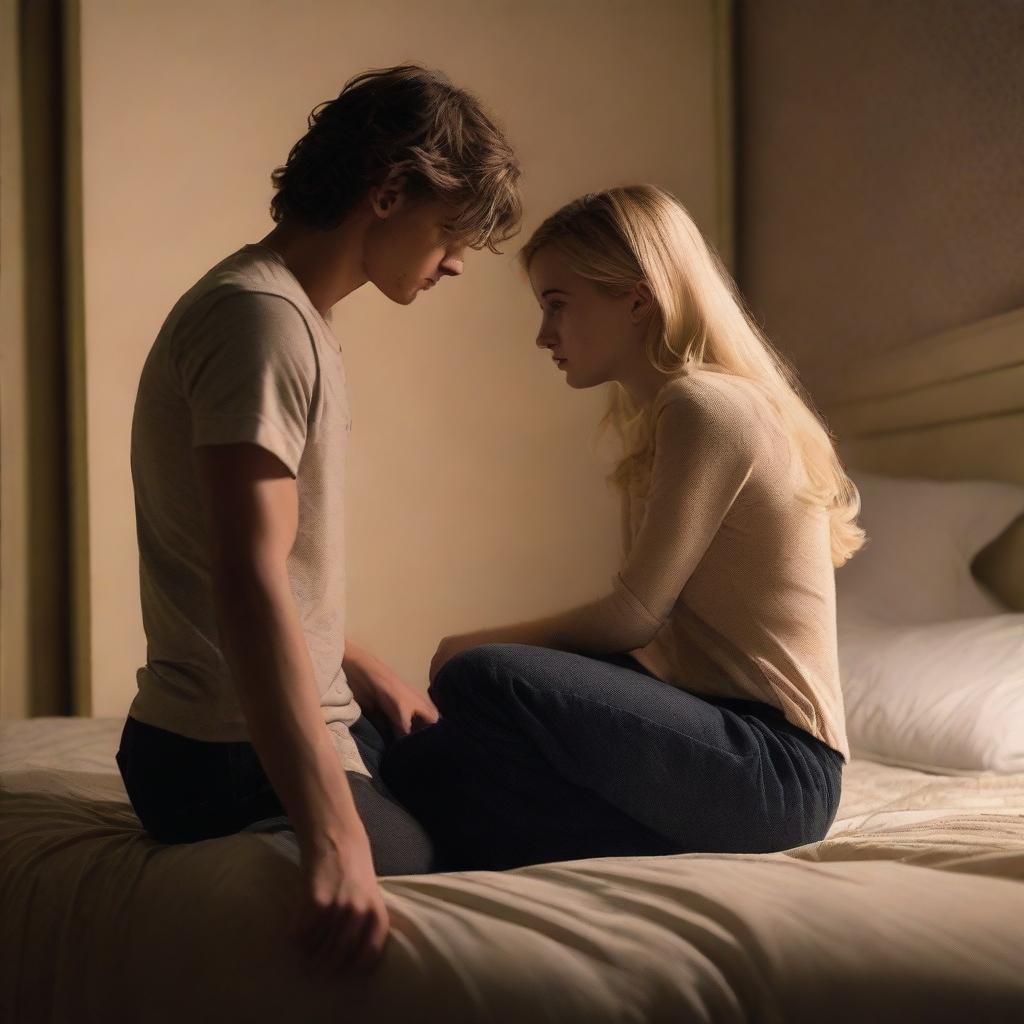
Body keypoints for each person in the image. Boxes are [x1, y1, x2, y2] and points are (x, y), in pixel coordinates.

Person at [115, 64, 522, 972]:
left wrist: (357, 659)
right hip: (216, 753)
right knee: (435, 857)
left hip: (255, 728)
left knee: (502, 768)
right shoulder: (258, 321)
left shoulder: (292, 316)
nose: (456, 261)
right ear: (387, 193)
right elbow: (245, 574)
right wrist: (338, 840)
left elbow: (274, 566)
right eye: (451, 233)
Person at [380, 184, 863, 872]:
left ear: (637, 298)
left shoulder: (707, 407)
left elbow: (631, 617)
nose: (544, 335)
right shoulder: (668, 418)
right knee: (424, 759)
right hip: (715, 740)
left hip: (777, 772)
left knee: (483, 678)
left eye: (557, 305)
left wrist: (466, 646)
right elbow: (649, 651)